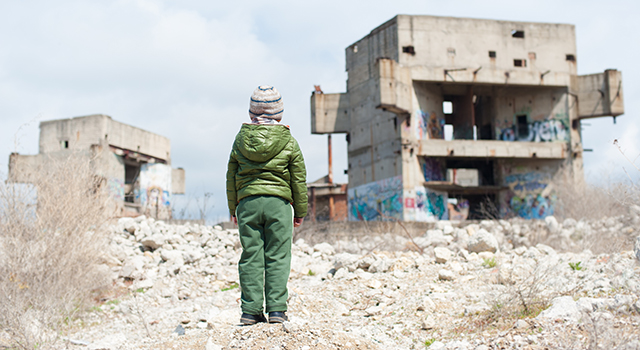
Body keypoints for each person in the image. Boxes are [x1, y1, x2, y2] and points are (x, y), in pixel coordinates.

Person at [226, 85, 308, 325]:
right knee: (278, 255)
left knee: (251, 255)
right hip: (279, 204)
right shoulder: (289, 141)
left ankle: (250, 312)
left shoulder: (240, 140)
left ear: (252, 114)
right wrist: (300, 211)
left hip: (248, 203)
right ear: (279, 115)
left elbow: (231, 176)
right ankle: (276, 311)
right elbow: (298, 179)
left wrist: (234, 208)